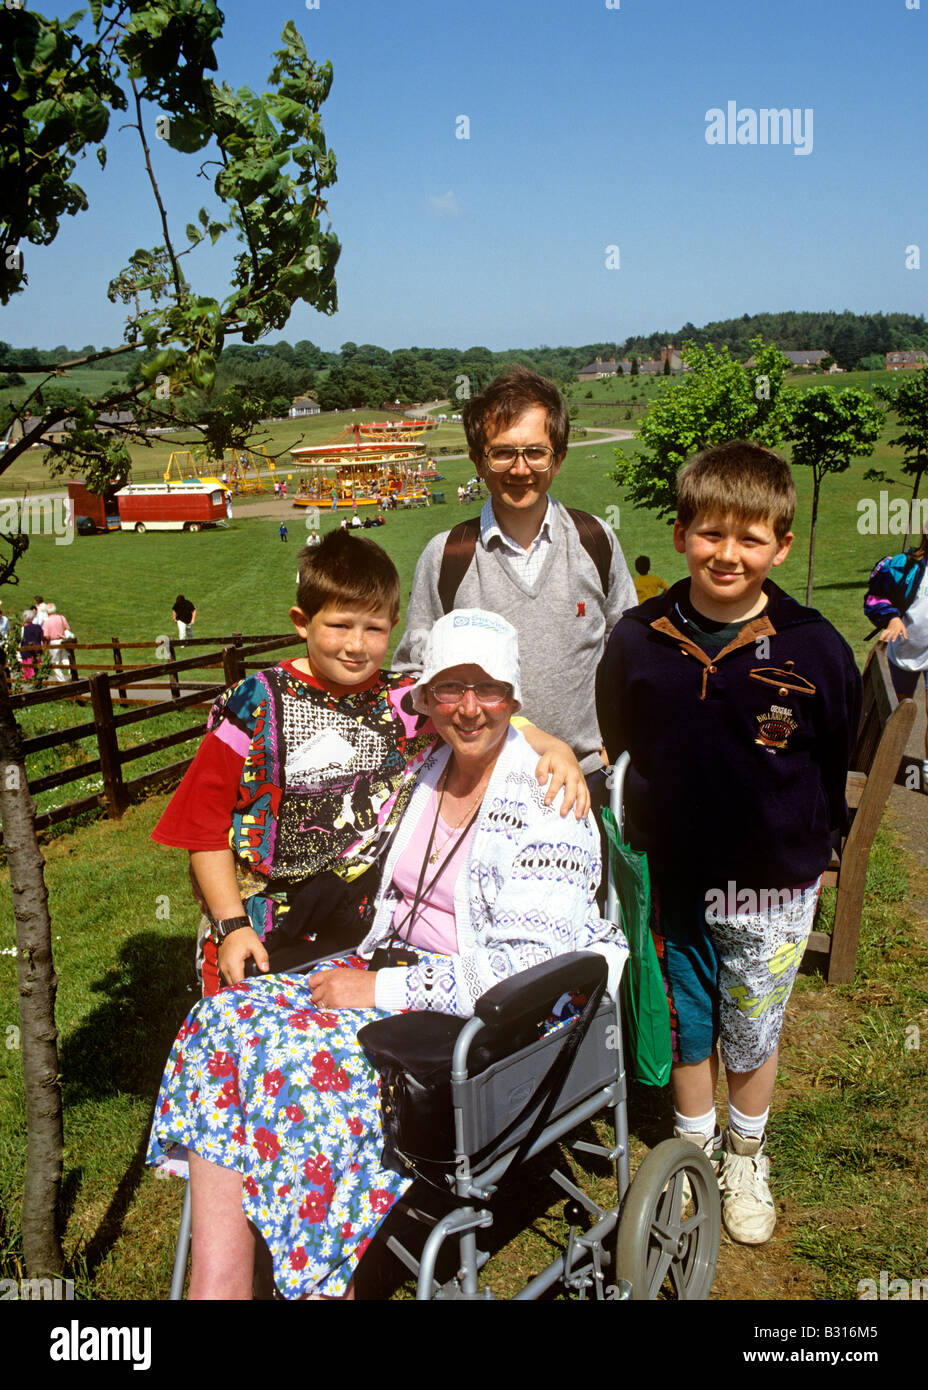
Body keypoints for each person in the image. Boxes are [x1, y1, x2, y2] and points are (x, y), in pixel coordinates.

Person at [147, 609, 624, 1299]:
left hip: (491, 1015)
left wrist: (375, 992)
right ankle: (218, 1285)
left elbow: (519, 970)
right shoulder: (427, 763)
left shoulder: (548, 797)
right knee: (223, 1026)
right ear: (424, 701)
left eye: (488, 689)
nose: (468, 708)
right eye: (448, 689)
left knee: (303, 1082)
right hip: (390, 968)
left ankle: (318, 1275)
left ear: (514, 697)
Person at [596, 440, 861, 1246]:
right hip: (672, 873)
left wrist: (815, 852)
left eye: (750, 539)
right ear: (680, 535)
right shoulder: (639, 638)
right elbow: (620, 735)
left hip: (773, 883)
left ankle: (746, 1156)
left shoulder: (816, 647)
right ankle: (691, 1148)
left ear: (779, 547)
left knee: (752, 1026)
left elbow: (835, 749)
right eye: (711, 533)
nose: (728, 554)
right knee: (687, 1018)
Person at [151, 533, 587, 997]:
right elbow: (203, 828)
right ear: (302, 622)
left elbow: (481, 715)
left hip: (358, 931)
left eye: (374, 629)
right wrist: (231, 924)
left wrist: (552, 745)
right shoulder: (252, 703)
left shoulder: (404, 701)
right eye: (339, 626)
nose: (356, 646)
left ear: (394, 626)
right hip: (254, 924)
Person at [392, 365, 636, 805]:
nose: (520, 469)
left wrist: (617, 738)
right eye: (502, 453)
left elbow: (629, 654)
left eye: (535, 452)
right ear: (477, 460)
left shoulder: (595, 540)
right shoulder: (448, 556)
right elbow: (414, 677)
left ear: (558, 458)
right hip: (478, 788)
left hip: (586, 784)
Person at [863, 527, 928, 790]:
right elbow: (876, 597)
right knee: (897, 711)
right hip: (903, 647)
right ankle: (883, 763)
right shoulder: (901, 566)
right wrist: (891, 617)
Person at [42, 603, 73, 683]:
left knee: (55, 662)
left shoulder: (47, 621)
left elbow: (46, 636)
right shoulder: (61, 618)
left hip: (53, 642)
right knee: (65, 658)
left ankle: (61, 679)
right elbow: (67, 628)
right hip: (63, 640)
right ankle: (72, 674)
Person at [19, 608, 43, 681]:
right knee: (37, 668)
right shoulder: (38, 627)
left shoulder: (23, 628)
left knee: (28, 669)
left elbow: (21, 640)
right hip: (37, 650)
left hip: (26, 651)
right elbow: (41, 638)